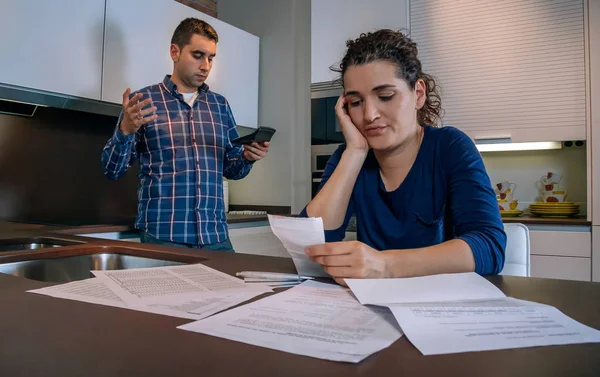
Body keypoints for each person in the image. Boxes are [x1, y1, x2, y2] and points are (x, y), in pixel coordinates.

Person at [302, 29, 506, 286]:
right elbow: (310, 245)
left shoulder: (450, 147)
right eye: (355, 102)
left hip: (442, 303)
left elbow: (489, 247)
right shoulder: (349, 156)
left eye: (385, 96)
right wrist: (354, 151)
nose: (369, 115)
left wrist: (385, 265)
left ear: (418, 94)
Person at [101, 18, 269, 251]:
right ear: (175, 52)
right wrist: (125, 131)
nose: (206, 66)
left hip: (215, 236)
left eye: (211, 58)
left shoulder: (219, 106)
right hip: (164, 236)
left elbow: (231, 169)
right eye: (198, 55)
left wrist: (248, 157)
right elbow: (112, 169)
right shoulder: (143, 102)